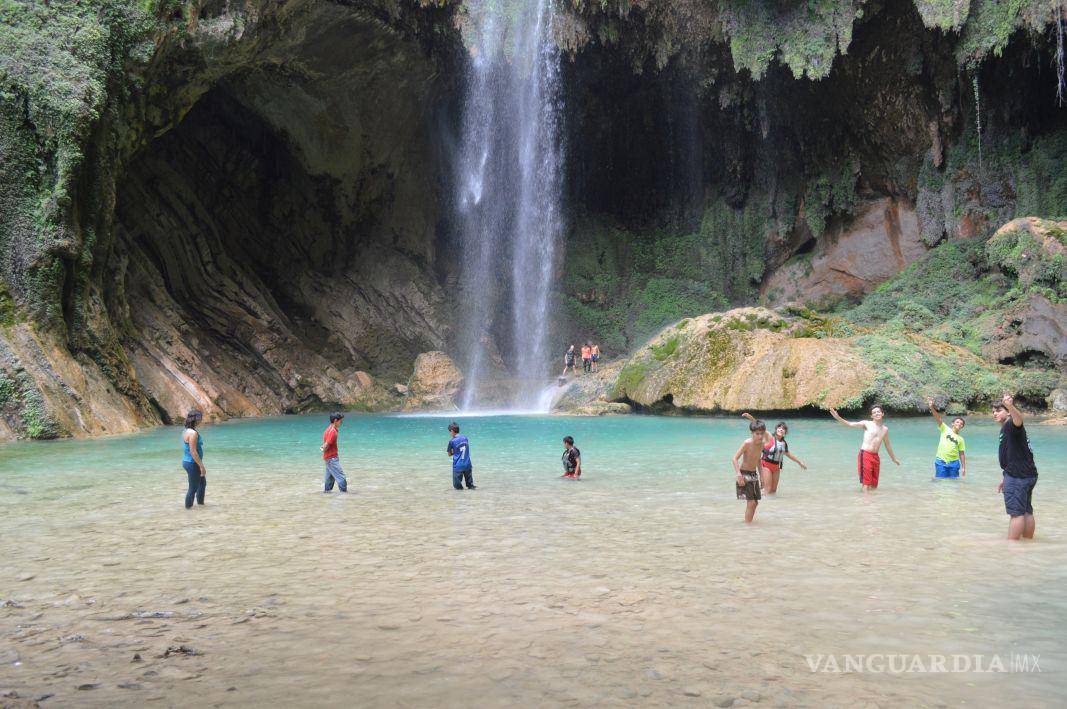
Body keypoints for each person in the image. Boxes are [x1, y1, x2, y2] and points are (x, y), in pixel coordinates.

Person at [993, 394, 1038, 540]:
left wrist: (1010, 406)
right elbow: (1012, 455)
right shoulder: (1008, 428)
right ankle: (1028, 544)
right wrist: (1005, 476)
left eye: (998, 410)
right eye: (993, 411)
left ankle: (1012, 548)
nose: (994, 414)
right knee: (1026, 511)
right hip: (1026, 474)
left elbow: (1019, 419)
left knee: (1016, 514)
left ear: (1007, 413)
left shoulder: (1011, 424)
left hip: (1018, 476)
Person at [829, 404, 900, 491]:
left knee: (874, 485)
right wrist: (838, 418)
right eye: (874, 412)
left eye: (878, 411)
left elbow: (887, 445)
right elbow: (850, 424)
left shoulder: (885, 429)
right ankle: (865, 499)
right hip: (865, 455)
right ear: (871, 416)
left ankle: (871, 499)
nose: (876, 413)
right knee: (866, 484)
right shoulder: (867, 424)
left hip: (875, 457)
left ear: (882, 414)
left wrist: (894, 459)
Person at [742, 414, 807, 494]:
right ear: (776, 430)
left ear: (785, 432)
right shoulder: (769, 437)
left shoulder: (783, 443)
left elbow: (789, 454)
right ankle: (756, 496)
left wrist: (799, 462)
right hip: (766, 465)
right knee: (767, 490)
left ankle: (766, 500)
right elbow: (759, 427)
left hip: (776, 467)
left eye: (783, 429)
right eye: (779, 428)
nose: (781, 429)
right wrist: (750, 417)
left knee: (773, 491)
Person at [732, 418, 765, 523]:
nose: (760, 436)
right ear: (752, 433)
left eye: (762, 434)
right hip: (744, 474)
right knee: (751, 503)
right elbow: (734, 458)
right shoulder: (747, 443)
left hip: (754, 475)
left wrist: (762, 477)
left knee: (755, 503)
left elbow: (758, 460)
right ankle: (747, 526)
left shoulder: (762, 444)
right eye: (757, 434)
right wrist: (739, 475)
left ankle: (748, 524)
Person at [926, 397, 966, 479]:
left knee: (954, 482)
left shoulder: (961, 439)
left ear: (962, 427)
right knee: (939, 481)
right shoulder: (945, 429)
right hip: (941, 461)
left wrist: (963, 467)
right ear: (952, 423)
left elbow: (961, 453)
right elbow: (938, 418)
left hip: (954, 463)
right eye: (957, 422)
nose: (959, 424)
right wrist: (932, 407)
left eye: (961, 423)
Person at [181, 410, 206, 509]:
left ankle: (201, 506)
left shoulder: (186, 430)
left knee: (202, 483)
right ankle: (188, 510)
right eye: (200, 418)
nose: (201, 421)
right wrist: (201, 466)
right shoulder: (193, 433)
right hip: (192, 463)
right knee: (193, 488)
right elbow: (193, 451)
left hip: (188, 461)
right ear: (196, 419)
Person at [321, 412, 347, 493]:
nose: (341, 423)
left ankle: (327, 494)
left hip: (328, 458)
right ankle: (345, 494)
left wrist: (324, 450)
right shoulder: (333, 431)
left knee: (329, 478)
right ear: (335, 420)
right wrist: (323, 449)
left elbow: (325, 445)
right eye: (341, 421)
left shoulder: (329, 429)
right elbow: (326, 446)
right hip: (332, 459)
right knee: (341, 477)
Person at [447, 422, 476, 490]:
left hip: (458, 466)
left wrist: (455, 451)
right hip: (467, 465)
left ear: (452, 431)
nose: (450, 433)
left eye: (450, 432)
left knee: (458, 488)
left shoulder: (452, 441)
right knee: (471, 486)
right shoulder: (465, 438)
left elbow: (449, 454)